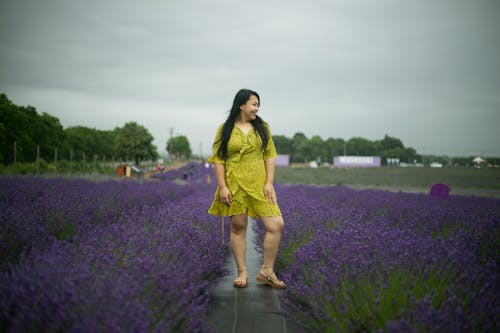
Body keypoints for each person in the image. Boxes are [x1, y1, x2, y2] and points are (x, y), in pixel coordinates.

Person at [207, 88, 285, 289]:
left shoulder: (263, 128)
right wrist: (222, 187)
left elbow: (269, 155)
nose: (256, 108)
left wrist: (269, 182)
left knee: (276, 224)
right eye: (254, 104)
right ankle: (242, 271)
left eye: (258, 105)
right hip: (234, 183)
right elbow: (218, 160)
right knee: (238, 226)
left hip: (259, 184)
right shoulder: (224, 129)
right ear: (241, 105)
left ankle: (268, 271)